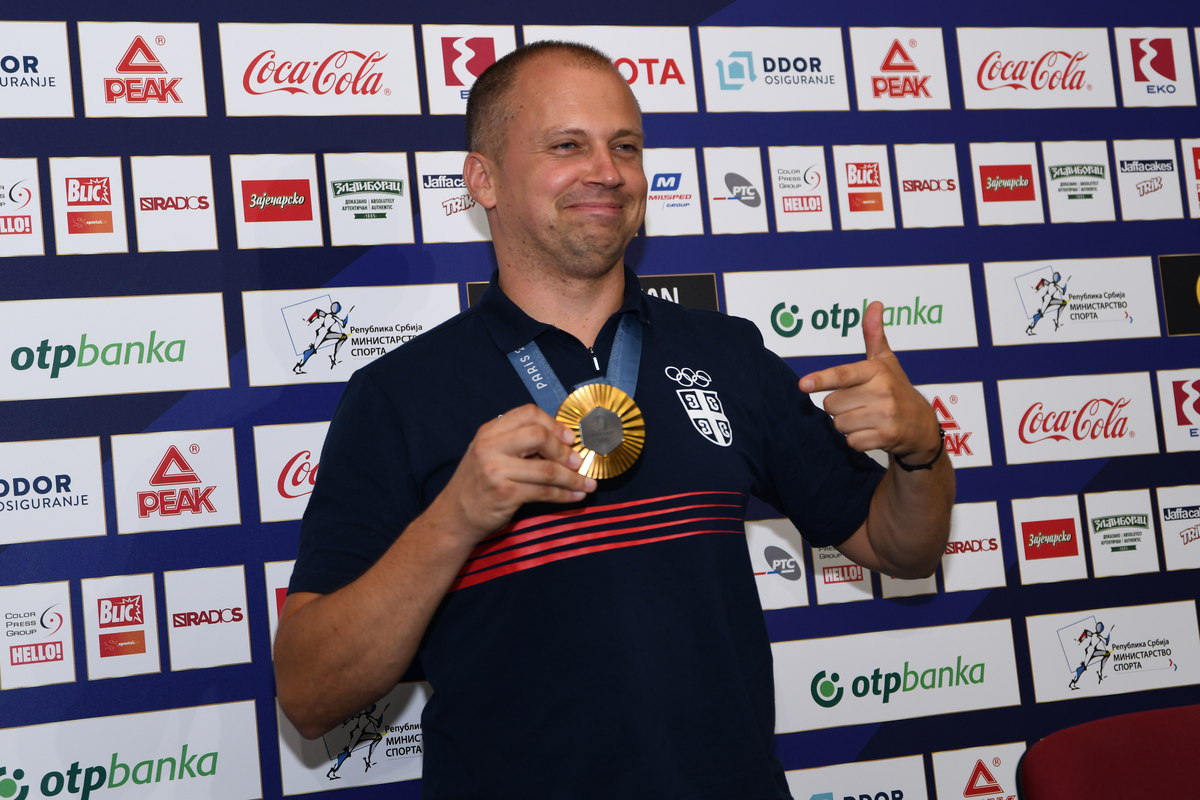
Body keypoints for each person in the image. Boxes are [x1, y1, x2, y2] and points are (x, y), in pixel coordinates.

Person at [274, 41, 954, 799]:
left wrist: (922, 454)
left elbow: (901, 546)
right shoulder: (397, 396)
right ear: (483, 178)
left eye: (624, 147)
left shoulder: (727, 354)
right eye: (568, 144)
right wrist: (452, 521)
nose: (607, 170)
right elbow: (309, 695)